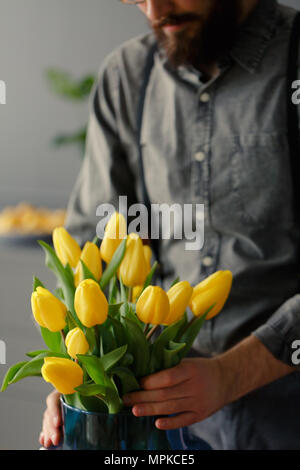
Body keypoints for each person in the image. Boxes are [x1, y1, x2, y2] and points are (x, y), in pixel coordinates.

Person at [39, 0, 300, 450]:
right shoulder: (126, 76)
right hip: (155, 425)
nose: (155, 9)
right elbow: (90, 251)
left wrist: (232, 373)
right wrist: (83, 377)